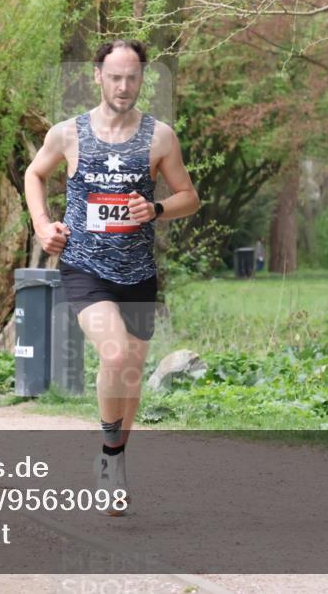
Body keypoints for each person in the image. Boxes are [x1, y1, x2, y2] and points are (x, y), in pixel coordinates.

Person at [24, 39, 200, 516]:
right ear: (97, 76)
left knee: (131, 375)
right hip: (85, 269)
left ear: (143, 78)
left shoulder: (160, 137)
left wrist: (156, 208)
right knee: (116, 354)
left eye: (133, 77)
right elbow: (34, 174)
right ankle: (109, 454)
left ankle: (116, 457)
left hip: (138, 272)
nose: (124, 86)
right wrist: (43, 225)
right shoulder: (69, 133)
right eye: (115, 77)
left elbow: (189, 196)